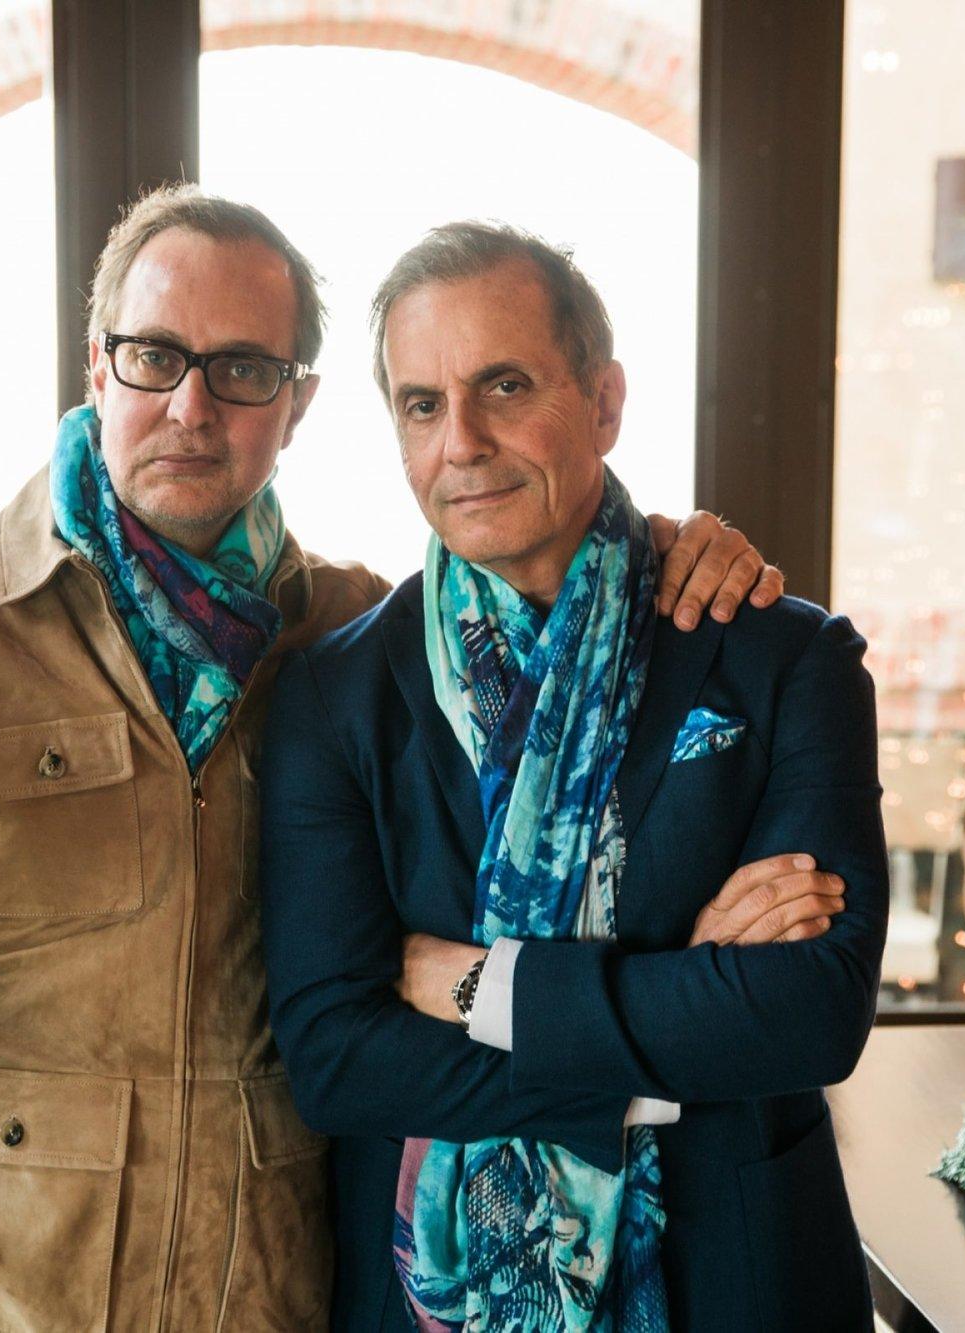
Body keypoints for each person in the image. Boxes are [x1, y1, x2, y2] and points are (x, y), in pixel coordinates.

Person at [0, 187, 793, 1333]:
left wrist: (668, 554)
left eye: (241, 370)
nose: (190, 405)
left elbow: (541, 629)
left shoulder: (356, 640)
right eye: (153, 357)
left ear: (296, 406)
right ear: (97, 368)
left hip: (278, 1300)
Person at [259, 221, 886, 1331]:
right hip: (422, 1297)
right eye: (419, 403)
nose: (460, 440)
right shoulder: (332, 698)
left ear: (602, 401)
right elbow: (338, 1059)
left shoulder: (780, 656)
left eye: (503, 385)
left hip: (736, 1281)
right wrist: (671, 1019)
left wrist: (479, 989)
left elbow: (808, 1012)